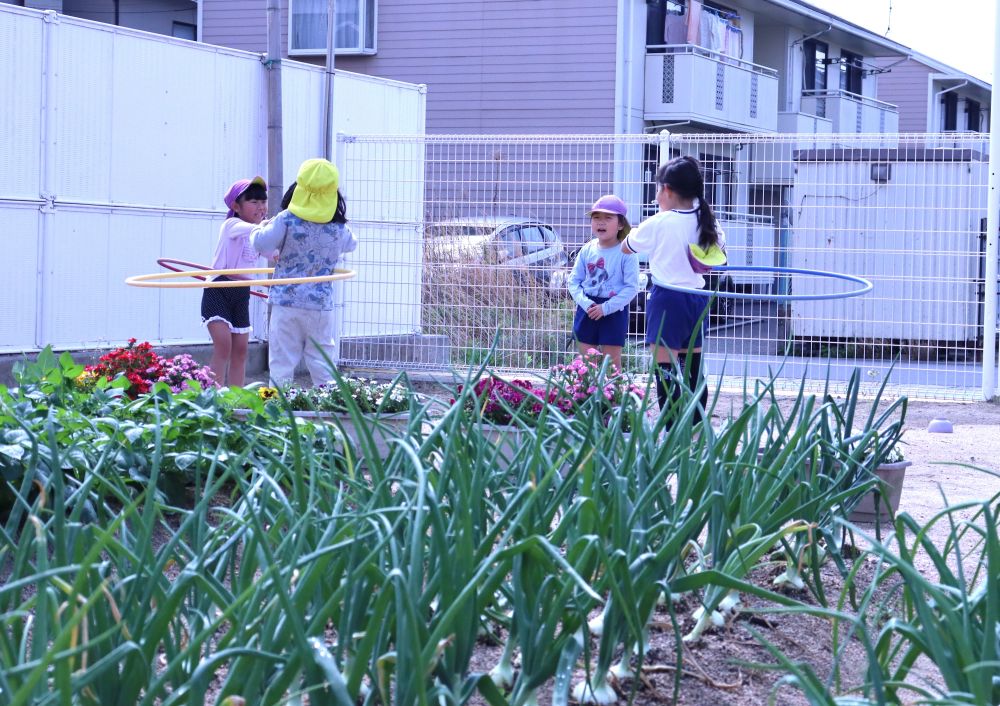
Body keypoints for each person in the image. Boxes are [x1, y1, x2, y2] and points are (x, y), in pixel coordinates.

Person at [621, 155, 726, 421]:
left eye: (658, 188)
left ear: (667, 190)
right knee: (693, 370)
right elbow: (718, 251)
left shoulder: (659, 222)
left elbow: (627, 246)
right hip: (697, 299)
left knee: (665, 370)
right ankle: (696, 426)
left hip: (667, 299)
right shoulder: (708, 220)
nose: (657, 195)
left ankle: (670, 430)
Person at [251, 158, 358, 386]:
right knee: (323, 365)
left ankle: (274, 410)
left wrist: (259, 228)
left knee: (280, 365)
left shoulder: (287, 219)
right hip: (320, 305)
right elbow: (351, 244)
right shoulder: (338, 227)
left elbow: (261, 245)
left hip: (286, 302)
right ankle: (332, 409)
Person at [201, 176, 268, 387]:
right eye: (254, 202)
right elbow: (252, 230)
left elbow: (273, 253)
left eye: (263, 202)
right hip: (219, 288)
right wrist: (272, 226)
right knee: (223, 346)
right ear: (236, 206)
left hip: (241, 292)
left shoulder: (260, 234)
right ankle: (214, 399)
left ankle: (236, 400)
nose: (261, 207)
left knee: (241, 351)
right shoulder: (231, 225)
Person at [567, 195, 640, 371]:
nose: (601, 223)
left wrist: (605, 308)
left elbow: (631, 287)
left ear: (621, 224)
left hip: (614, 311)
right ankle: (585, 397)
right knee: (586, 364)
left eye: (608, 218)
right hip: (588, 309)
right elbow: (573, 282)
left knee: (612, 365)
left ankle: (614, 397)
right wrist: (586, 303)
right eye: (596, 218)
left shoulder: (627, 252)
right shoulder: (587, 249)